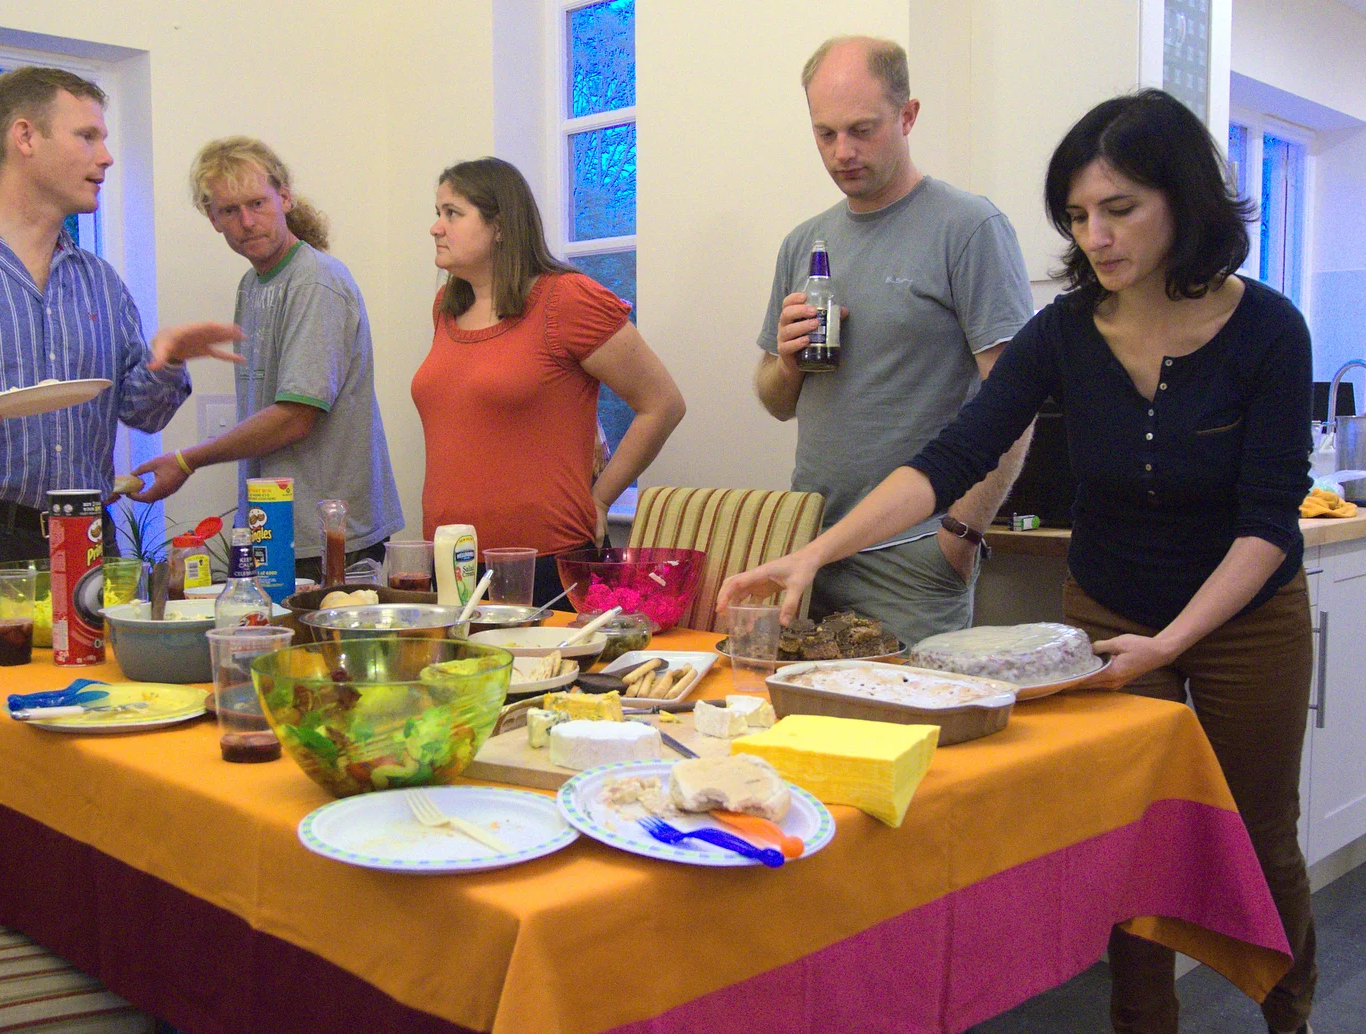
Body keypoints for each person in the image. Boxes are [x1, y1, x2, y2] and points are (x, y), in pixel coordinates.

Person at [720, 89, 1316, 1034]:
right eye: (1079, 217)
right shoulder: (1066, 331)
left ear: (1185, 201)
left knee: (1258, 834)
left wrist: (1172, 642)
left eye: (1120, 210)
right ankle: (1140, 1022)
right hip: (1109, 607)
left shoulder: (1270, 332)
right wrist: (815, 552)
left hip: (1242, 618)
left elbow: (1267, 523)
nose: (1097, 237)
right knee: (1135, 837)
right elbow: (951, 458)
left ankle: (1292, 1015)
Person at [0, 66, 241, 621]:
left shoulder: (101, 281)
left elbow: (142, 413)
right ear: (26, 137)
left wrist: (167, 360)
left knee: (100, 703)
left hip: (89, 540)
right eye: (88, 136)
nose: (106, 157)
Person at [753, 36, 1035, 647]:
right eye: (824, 134)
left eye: (862, 129)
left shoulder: (968, 228)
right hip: (809, 545)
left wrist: (959, 535)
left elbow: (1015, 404)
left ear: (908, 115)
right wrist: (790, 364)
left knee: (910, 736)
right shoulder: (805, 244)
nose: (842, 152)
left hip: (914, 556)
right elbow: (775, 400)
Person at [129, 137, 403, 586]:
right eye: (229, 211)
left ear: (286, 197)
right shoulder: (252, 285)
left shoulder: (315, 282)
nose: (247, 222)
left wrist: (186, 461)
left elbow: (294, 419)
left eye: (257, 203)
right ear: (212, 219)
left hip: (331, 538)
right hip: (276, 531)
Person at [413, 157, 685, 607]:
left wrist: (600, 501)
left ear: (500, 225)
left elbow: (663, 404)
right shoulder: (446, 306)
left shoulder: (566, 299)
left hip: (546, 565)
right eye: (437, 212)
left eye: (452, 213)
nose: (436, 228)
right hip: (451, 563)